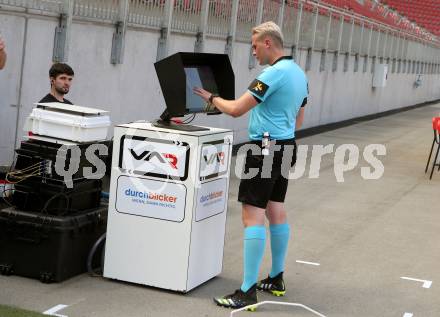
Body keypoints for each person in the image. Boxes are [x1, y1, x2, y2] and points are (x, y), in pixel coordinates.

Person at [193, 21, 308, 310]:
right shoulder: (298, 72)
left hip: (264, 149)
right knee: (275, 208)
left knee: (252, 216)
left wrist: (212, 98)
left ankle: (246, 291)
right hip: (285, 145)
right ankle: (277, 278)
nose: (253, 51)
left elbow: (235, 110)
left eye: (255, 45)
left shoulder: (272, 74)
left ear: (268, 42)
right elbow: (299, 117)